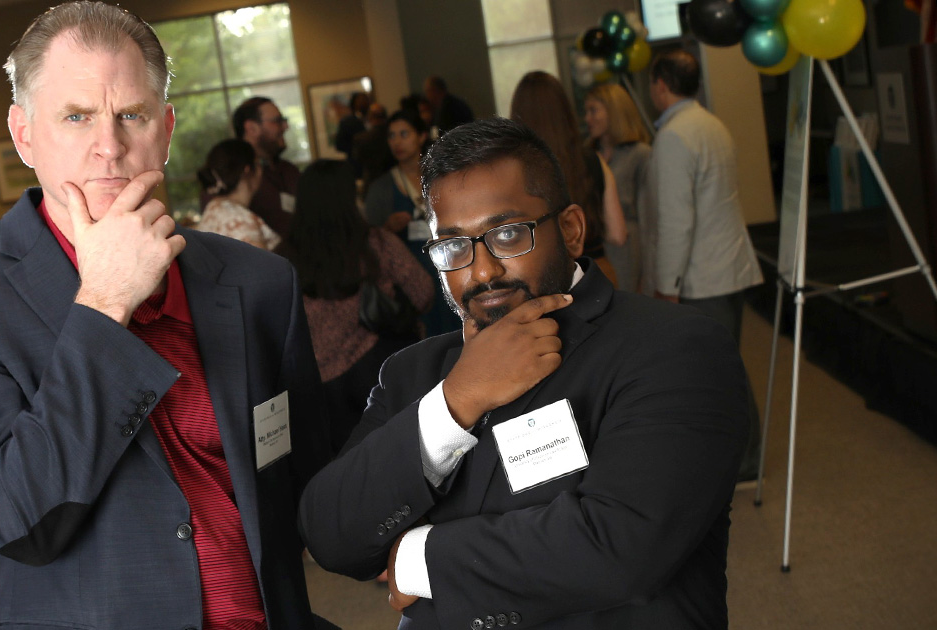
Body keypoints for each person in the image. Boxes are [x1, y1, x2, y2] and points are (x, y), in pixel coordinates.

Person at [0, 3, 331, 629]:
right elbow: (19, 522)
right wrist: (105, 302)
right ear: (23, 135)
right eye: (77, 116)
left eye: (132, 114)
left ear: (167, 127)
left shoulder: (262, 282)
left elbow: (305, 484)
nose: (111, 147)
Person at [299, 118, 750, 629]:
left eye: (508, 234)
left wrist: (417, 559)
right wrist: (455, 402)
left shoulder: (673, 347)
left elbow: (619, 549)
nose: (483, 269)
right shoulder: (415, 373)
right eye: (453, 245)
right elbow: (329, 533)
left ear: (573, 230)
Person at [648, 49, 765, 482]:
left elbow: (677, 220)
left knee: (719, 369)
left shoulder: (676, 135)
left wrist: (666, 284)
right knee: (726, 364)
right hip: (729, 264)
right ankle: (743, 455)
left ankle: (747, 459)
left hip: (703, 274)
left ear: (661, 85)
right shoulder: (711, 123)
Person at [277, 160, 433, 453]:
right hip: (379, 372)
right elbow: (422, 292)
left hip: (315, 391)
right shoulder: (376, 243)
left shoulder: (283, 259)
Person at [511, 71, 626, 286]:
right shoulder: (593, 160)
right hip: (595, 275)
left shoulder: (513, 170)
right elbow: (618, 234)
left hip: (540, 279)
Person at [365, 109, 461, 337]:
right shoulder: (381, 188)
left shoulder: (441, 176)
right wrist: (387, 228)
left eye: (404, 134)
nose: (396, 142)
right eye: (391, 136)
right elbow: (370, 240)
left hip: (449, 262)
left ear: (420, 137)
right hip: (409, 277)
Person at [585, 83, 653, 294]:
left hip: (628, 248)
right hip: (596, 249)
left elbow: (649, 214)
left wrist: (649, 273)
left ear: (613, 110)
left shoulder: (640, 154)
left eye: (593, 110)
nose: (587, 118)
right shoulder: (588, 155)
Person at [200, 96, 299, 237]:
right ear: (251, 128)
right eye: (277, 121)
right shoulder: (226, 174)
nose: (285, 126)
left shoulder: (289, 170)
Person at [195, 138, 279, 250]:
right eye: (259, 163)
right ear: (247, 169)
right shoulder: (240, 221)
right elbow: (260, 267)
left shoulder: (214, 208)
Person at [352, 101, 392, 187]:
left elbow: (357, 161)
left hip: (372, 182)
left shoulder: (361, 139)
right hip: (392, 180)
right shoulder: (392, 136)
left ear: (369, 117)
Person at [335, 91, 370, 158]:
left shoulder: (374, 118)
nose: (363, 102)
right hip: (357, 162)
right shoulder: (347, 122)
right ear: (354, 103)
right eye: (360, 100)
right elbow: (340, 145)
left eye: (365, 100)